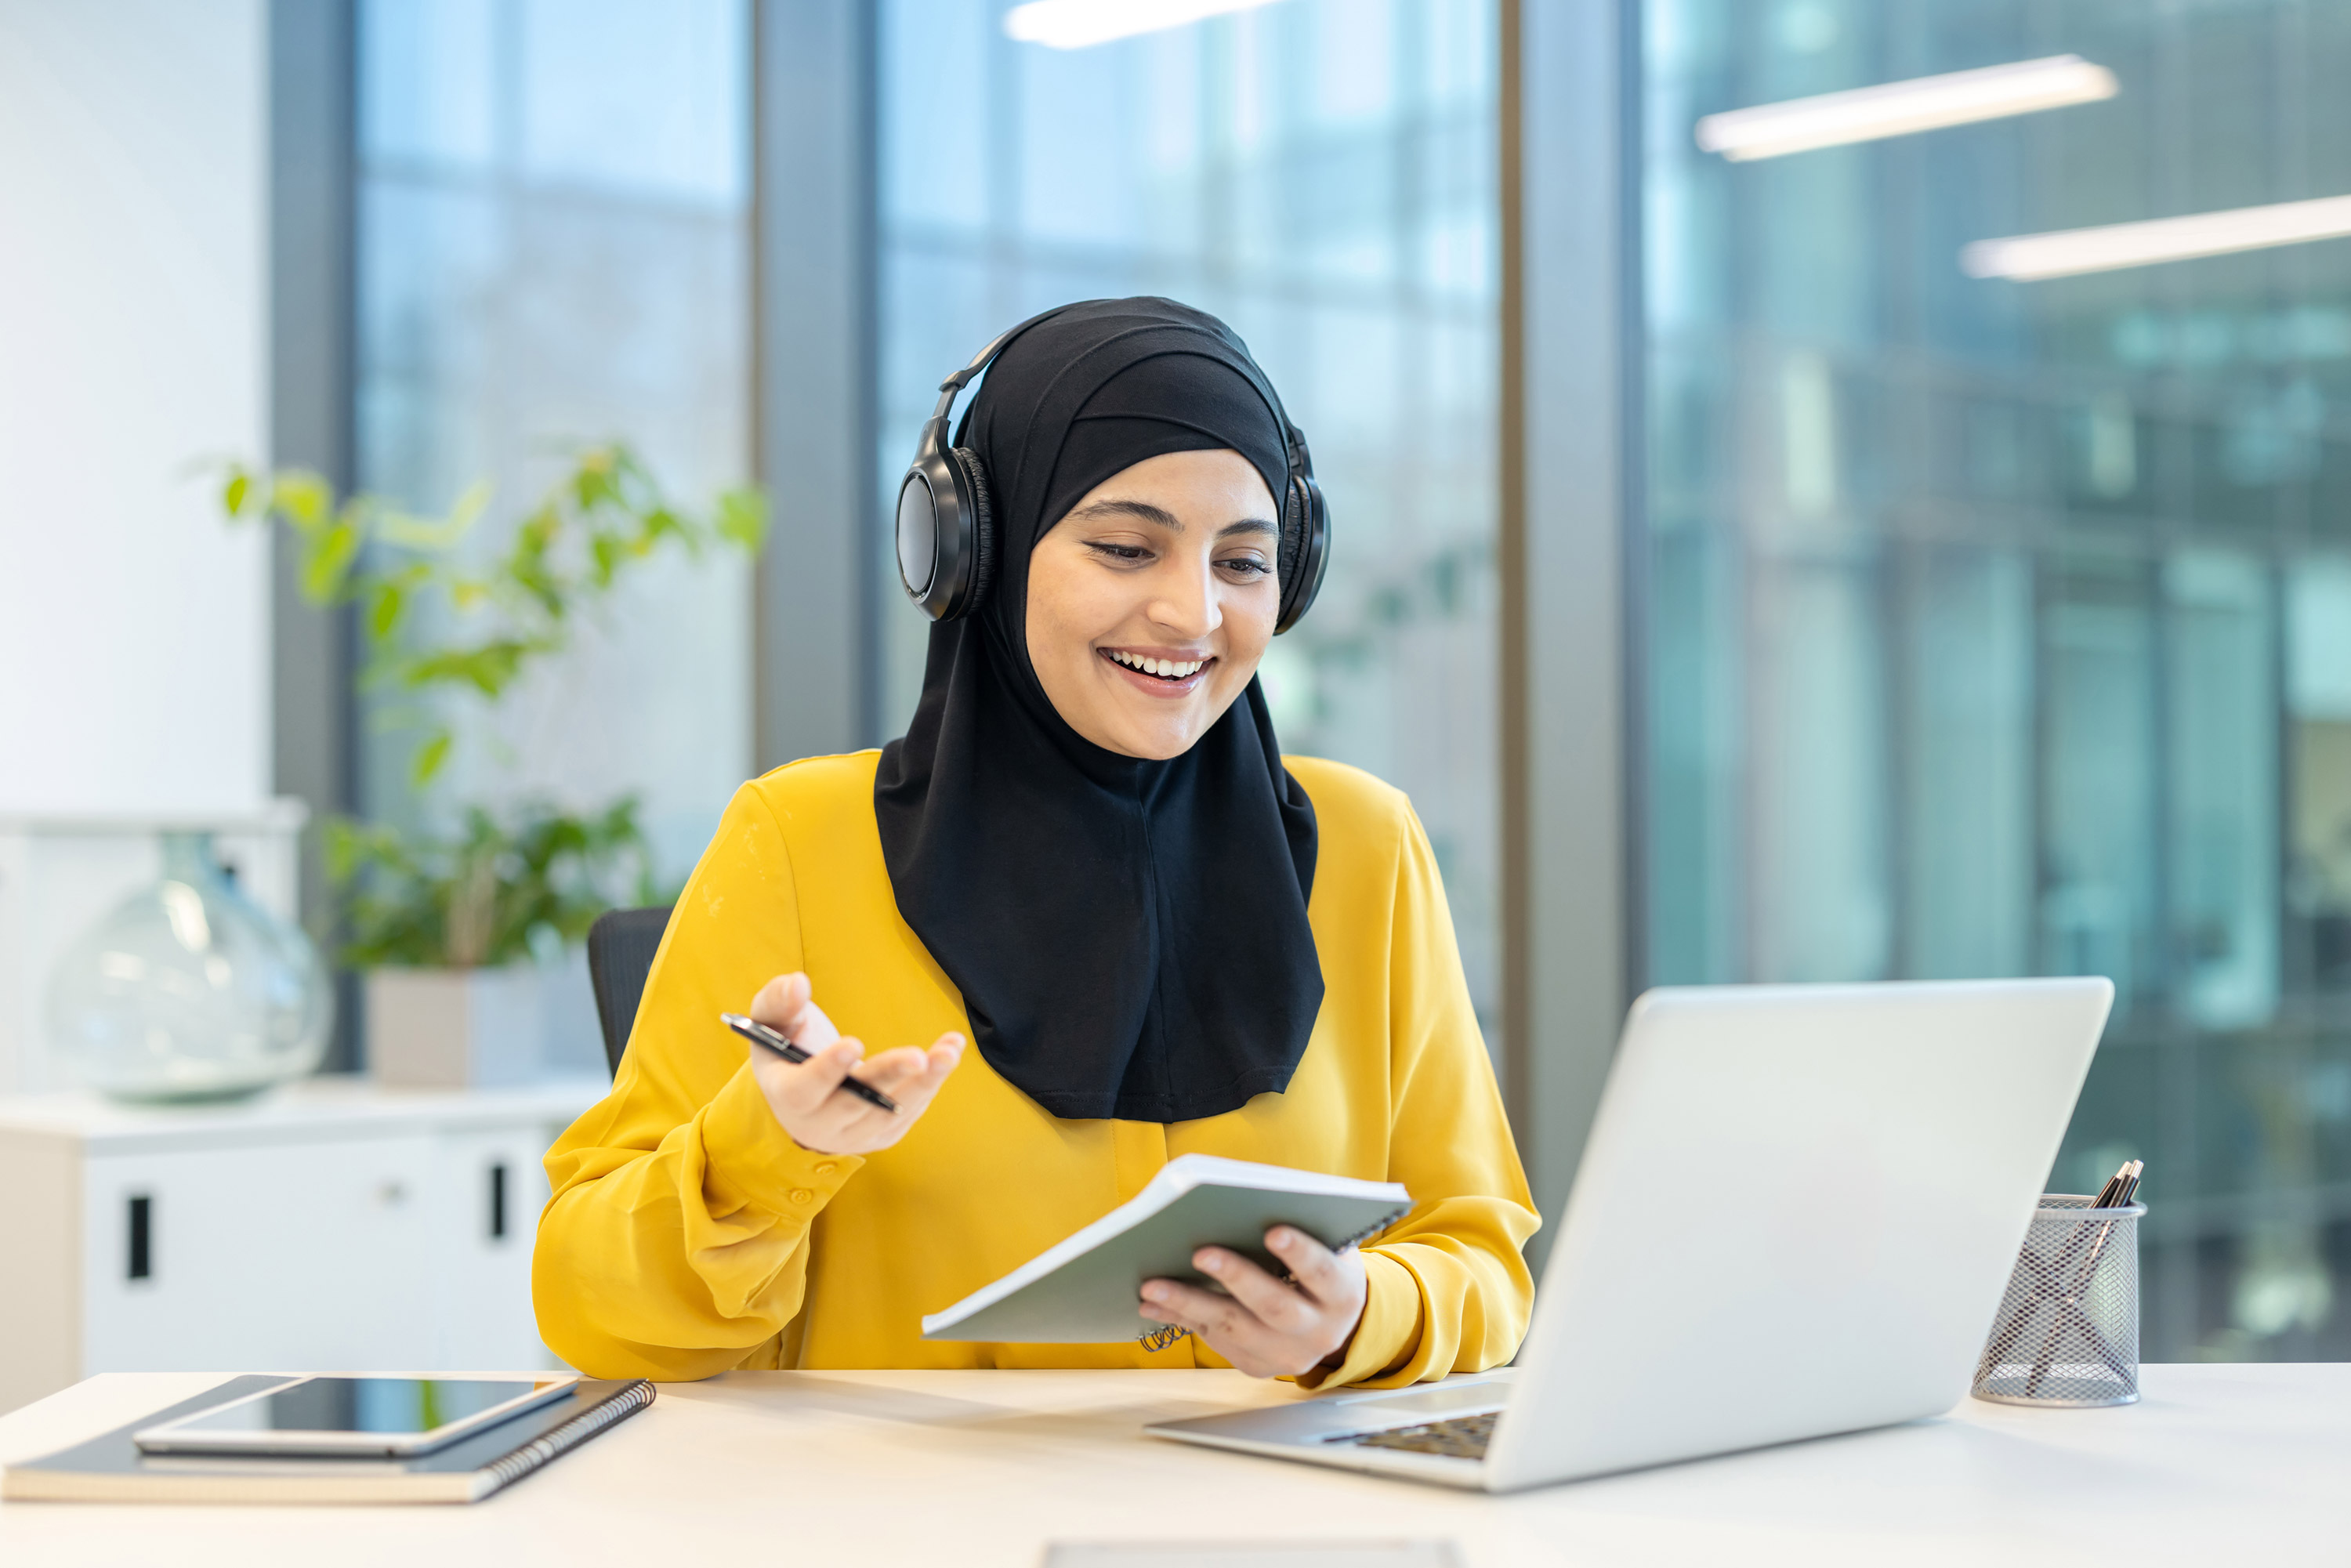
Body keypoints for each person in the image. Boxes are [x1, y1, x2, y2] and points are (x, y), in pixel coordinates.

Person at [534, 297, 1538, 1389]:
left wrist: (1361, 1316)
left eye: (1243, 563)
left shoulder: (1368, 846)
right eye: (1124, 546)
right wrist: (763, 1152)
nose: (1192, 613)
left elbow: (1482, 1262)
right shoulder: (797, 839)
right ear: (977, 552)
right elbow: (588, 1306)